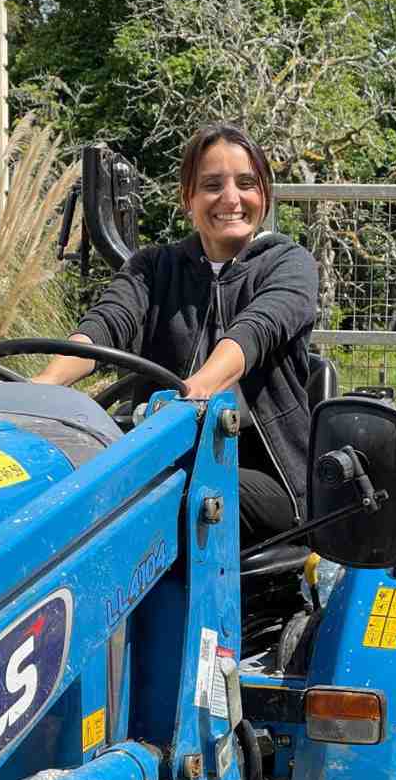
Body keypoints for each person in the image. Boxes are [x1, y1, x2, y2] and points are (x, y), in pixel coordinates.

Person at [33, 124, 319, 548]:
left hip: (268, 474)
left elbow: (256, 329)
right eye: (211, 185)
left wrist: (195, 391)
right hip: (164, 455)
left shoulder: (289, 264)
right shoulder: (154, 267)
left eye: (245, 183)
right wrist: (43, 387)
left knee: (168, 491)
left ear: (264, 194)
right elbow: (106, 324)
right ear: (188, 198)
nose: (230, 198)